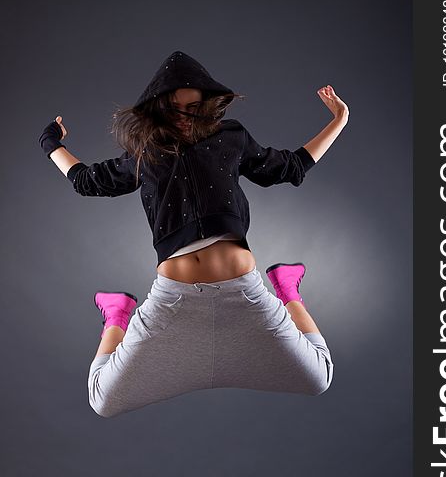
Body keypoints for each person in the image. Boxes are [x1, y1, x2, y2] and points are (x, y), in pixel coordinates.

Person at [38, 50, 349, 418]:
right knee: (102, 400)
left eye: (194, 107)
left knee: (319, 377)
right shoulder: (145, 149)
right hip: (174, 298)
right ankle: (117, 315)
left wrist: (340, 120)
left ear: (207, 105)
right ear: (158, 107)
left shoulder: (231, 136)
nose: (185, 118)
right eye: (175, 108)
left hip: (243, 292)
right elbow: (88, 181)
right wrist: (50, 143)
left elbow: (290, 167)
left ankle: (287, 290)